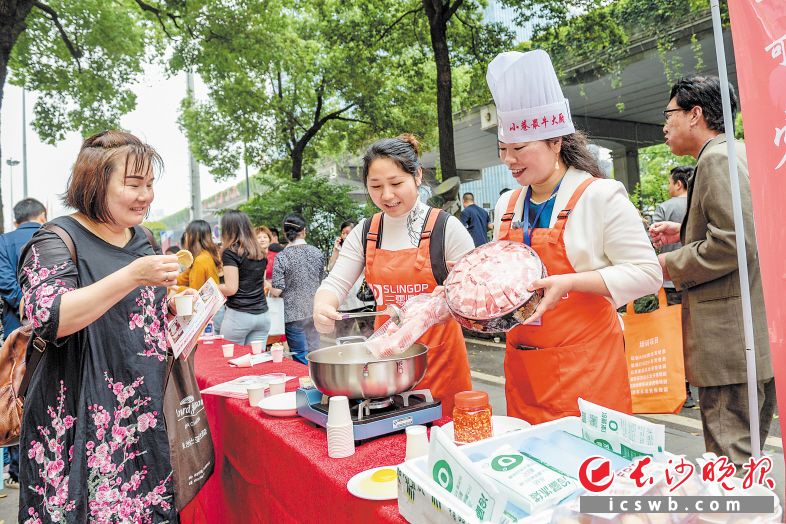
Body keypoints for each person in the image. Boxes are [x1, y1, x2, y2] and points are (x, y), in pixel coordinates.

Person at [17, 130, 197, 522]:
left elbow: (137, 318)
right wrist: (133, 275)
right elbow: (50, 317)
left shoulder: (143, 239)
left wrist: (178, 313)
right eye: (133, 184)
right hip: (77, 421)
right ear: (95, 184)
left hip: (140, 418)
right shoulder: (57, 239)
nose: (146, 195)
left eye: (150, 184)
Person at [487, 50, 662, 424]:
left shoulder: (601, 195)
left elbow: (648, 274)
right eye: (503, 149)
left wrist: (571, 281)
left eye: (519, 148)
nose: (508, 160)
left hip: (587, 371)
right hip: (524, 369)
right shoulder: (507, 202)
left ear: (555, 143)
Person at [649, 75, 775, 467]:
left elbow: (735, 242)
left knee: (728, 467)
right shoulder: (738, 153)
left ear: (696, 114)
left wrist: (669, 262)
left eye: (670, 114)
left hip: (728, 344)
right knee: (747, 459)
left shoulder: (717, 159)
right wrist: (684, 231)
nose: (665, 125)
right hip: (750, 337)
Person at [313, 135, 475, 413]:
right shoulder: (365, 233)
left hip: (442, 367)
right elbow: (336, 283)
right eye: (375, 186)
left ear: (417, 176)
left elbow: (477, 293)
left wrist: (458, 296)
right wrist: (323, 306)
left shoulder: (446, 228)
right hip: (383, 375)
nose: (386, 195)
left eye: (396, 183)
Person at [0, 197, 47, 488]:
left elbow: (4, 280)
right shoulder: (50, 234)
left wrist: (24, 306)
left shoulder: (4, 242)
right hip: (54, 328)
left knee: (15, 394)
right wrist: (40, 309)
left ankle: (18, 472)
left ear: (17, 218)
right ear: (42, 215)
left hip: (17, 332)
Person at [270, 214, 325, 364]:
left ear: (285, 233)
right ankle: (318, 383)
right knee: (316, 353)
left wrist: (268, 286)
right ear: (304, 231)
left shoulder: (282, 256)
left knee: (300, 355)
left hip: (292, 313)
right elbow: (322, 281)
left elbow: (277, 290)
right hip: (314, 310)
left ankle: (304, 384)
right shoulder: (317, 252)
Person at [218, 210, 270, 346]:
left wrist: (212, 286)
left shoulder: (230, 252)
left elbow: (231, 288)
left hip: (238, 316)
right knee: (255, 362)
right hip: (262, 315)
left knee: (230, 361)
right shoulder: (260, 251)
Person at [328, 220, 375, 339]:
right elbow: (331, 269)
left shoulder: (365, 248)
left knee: (370, 335)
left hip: (363, 301)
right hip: (345, 304)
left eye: (348, 233)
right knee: (343, 337)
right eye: (343, 233)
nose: (344, 236)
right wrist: (336, 250)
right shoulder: (340, 251)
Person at [177, 219, 221, 290]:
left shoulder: (200, 260)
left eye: (187, 234)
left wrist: (175, 289)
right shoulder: (207, 255)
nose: (185, 237)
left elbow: (195, 293)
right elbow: (182, 279)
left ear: (194, 236)